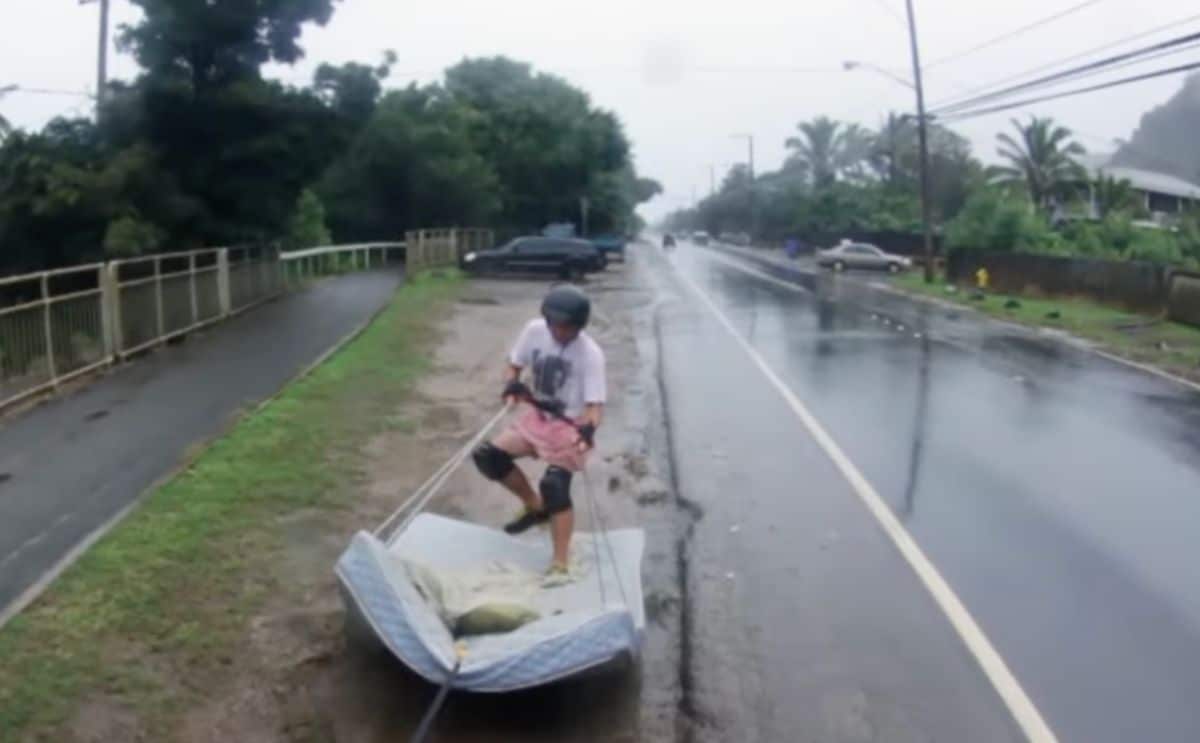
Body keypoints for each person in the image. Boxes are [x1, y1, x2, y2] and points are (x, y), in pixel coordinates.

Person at [471, 285, 606, 583]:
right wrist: (512, 384)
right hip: (538, 418)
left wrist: (589, 428)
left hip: (569, 427)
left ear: (579, 326)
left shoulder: (590, 354)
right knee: (488, 457)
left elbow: (595, 406)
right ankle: (535, 507)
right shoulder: (534, 331)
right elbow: (514, 365)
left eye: (566, 327)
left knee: (554, 486)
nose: (558, 331)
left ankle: (560, 563)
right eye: (553, 324)